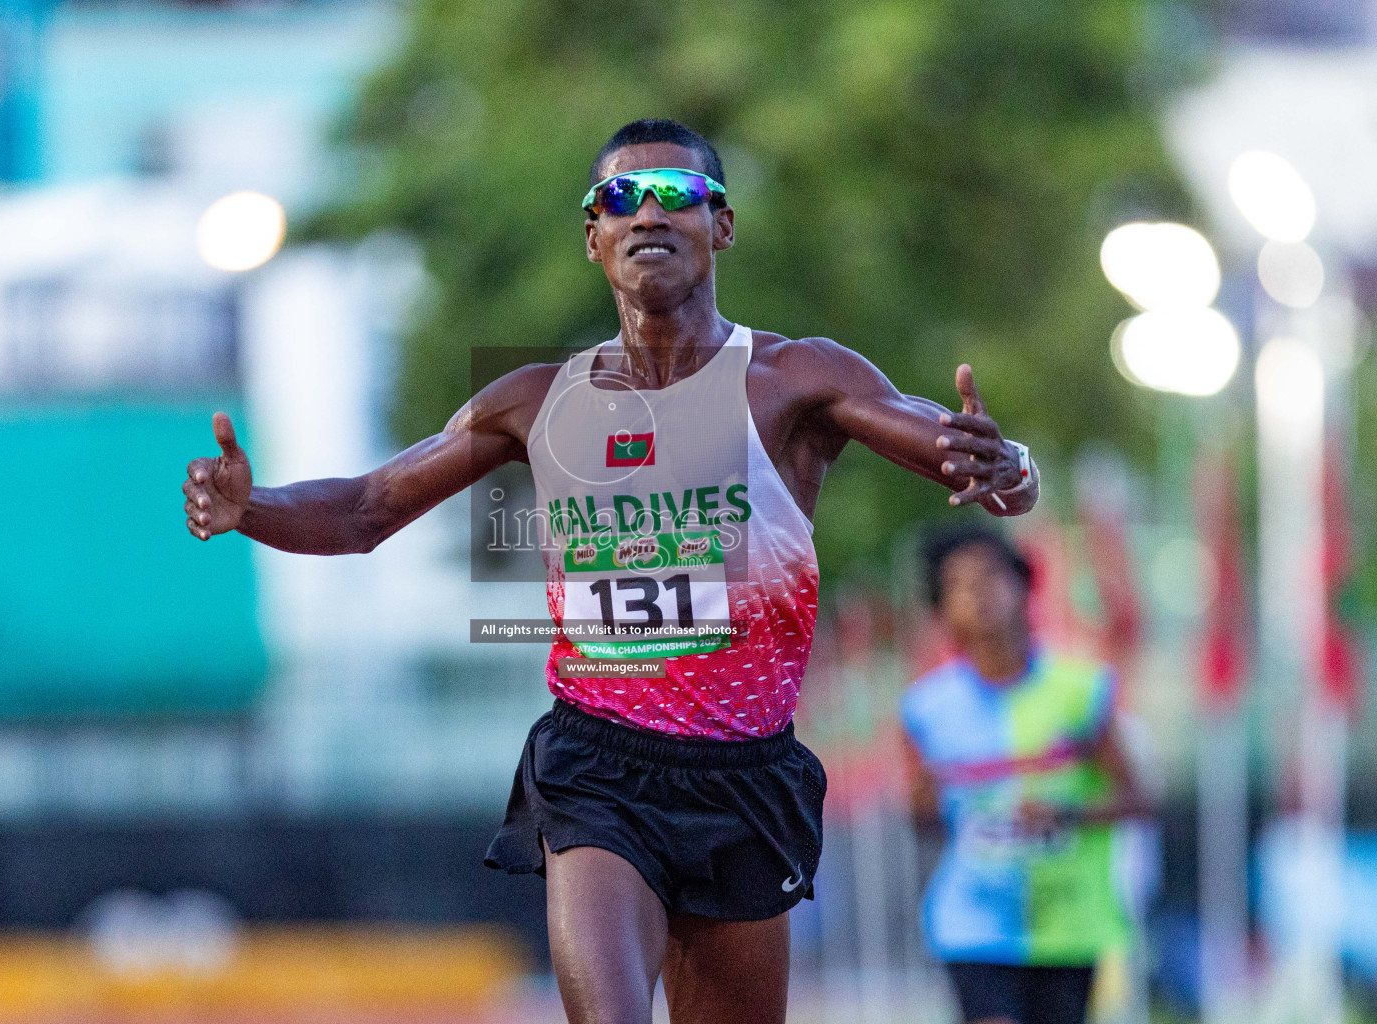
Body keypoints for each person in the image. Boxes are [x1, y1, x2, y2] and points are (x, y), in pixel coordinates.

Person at [182, 118, 1039, 1024]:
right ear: (593, 237)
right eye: (620, 199)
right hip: (600, 768)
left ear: (723, 224)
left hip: (746, 774)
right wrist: (252, 509)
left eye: (677, 194)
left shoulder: (794, 379)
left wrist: (1006, 465)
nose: (648, 214)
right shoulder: (537, 399)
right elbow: (364, 511)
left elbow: (969, 462)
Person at [900, 526, 1152, 1024]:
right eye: (958, 584)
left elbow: (1140, 798)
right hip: (972, 922)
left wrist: (1066, 813)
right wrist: (927, 800)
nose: (978, 593)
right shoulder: (925, 708)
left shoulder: (1081, 690)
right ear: (942, 609)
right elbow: (922, 820)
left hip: (1068, 923)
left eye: (991, 575)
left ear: (1024, 586)